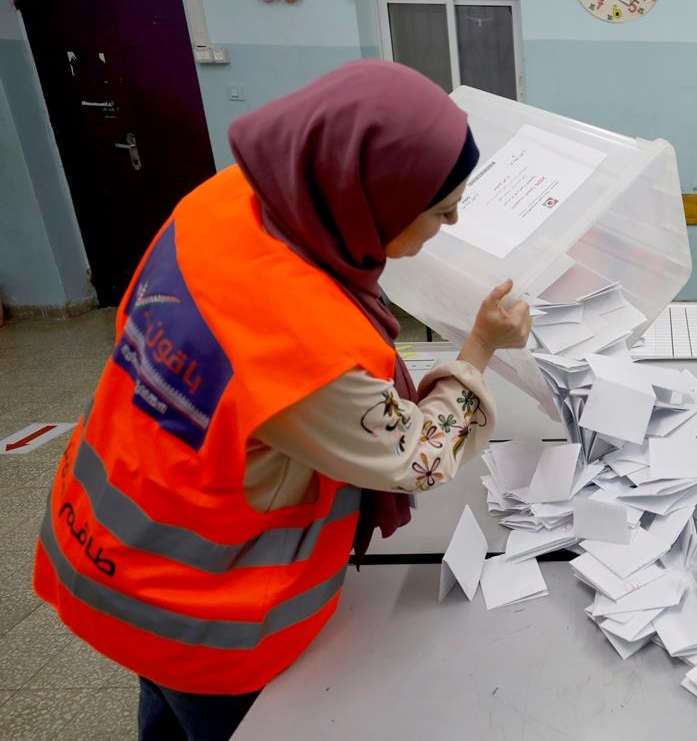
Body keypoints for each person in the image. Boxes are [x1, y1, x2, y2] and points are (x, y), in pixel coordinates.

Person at [31, 60, 532, 741]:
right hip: (195, 606)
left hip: (105, 531)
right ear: (371, 202)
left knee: (165, 712)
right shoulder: (298, 341)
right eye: (441, 212)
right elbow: (421, 455)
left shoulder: (231, 198)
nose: (453, 222)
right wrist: (479, 349)